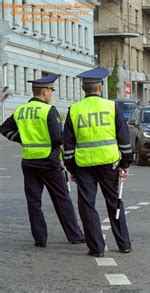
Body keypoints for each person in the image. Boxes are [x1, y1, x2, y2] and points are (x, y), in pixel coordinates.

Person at [1, 74, 85, 248]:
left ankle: (40, 239)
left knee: (33, 201)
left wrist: (22, 139)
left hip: (29, 160)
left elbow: (4, 129)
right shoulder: (49, 110)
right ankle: (74, 235)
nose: (51, 95)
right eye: (51, 91)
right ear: (45, 91)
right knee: (61, 198)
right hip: (49, 160)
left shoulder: (20, 110)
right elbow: (57, 138)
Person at [63, 68, 133, 257]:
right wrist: (125, 164)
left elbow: (68, 146)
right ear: (100, 88)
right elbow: (124, 139)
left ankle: (96, 248)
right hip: (109, 163)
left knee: (87, 206)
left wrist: (72, 169)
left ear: (83, 88)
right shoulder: (112, 107)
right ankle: (124, 243)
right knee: (114, 202)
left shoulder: (74, 110)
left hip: (83, 166)